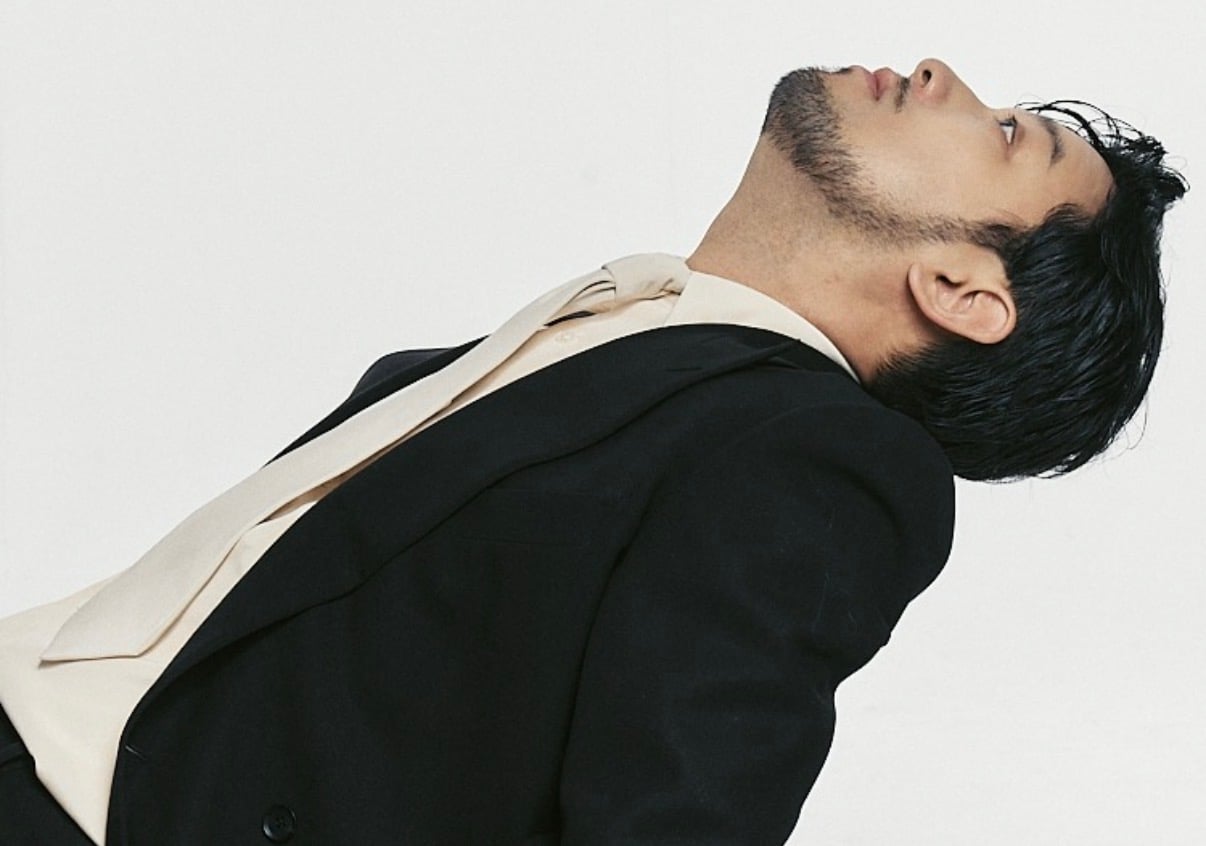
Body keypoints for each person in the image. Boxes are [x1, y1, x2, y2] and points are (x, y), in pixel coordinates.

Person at [0, 58, 1186, 845]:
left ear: (962, 288)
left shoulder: (824, 461)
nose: (938, 73)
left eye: (1006, 135)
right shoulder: (639, 338)